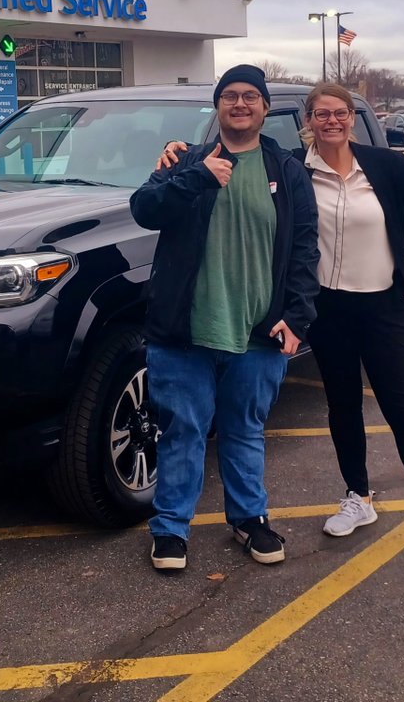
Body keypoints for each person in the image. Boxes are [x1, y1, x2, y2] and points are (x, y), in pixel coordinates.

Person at [160, 81, 404, 569]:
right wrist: (181, 151)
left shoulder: (382, 165)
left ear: (353, 118)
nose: (331, 121)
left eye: (340, 113)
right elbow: (244, 157)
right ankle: (358, 496)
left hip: (384, 307)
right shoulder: (294, 169)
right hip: (328, 311)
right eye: (321, 114)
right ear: (307, 121)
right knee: (342, 406)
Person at [130, 65, 319, 572]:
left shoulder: (287, 170)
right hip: (184, 331)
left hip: (260, 330)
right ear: (217, 107)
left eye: (251, 97)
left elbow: (304, 251)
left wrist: (297, 318)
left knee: (244, 429)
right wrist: (194, 177)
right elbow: (144, 208)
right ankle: (171, 531)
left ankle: (248, 519)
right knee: (183, 432)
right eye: (230, 96)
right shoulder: (186, 160)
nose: (240, 104)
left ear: (264, 109)